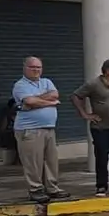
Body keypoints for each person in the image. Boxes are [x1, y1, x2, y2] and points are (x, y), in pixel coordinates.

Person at [11, 56, 67, 203]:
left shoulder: (46, 81)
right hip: (29, 129)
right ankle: (35, 190)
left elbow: (55, 94)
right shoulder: (20, 85)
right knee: (33, 162)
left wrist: (37, 101)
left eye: (38, 67)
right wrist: (49, 103)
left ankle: (52, 188)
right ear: (25, 68)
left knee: (51, 160)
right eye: (32, 67)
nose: (36, 70)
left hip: (49, 128)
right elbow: (29, 101)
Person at [73, 58, 109, 196]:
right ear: (108, 70)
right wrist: (85, 114)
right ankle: (101, 186)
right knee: (102, 157)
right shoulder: (94, 84)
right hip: (101, 127)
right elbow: (76, 96)